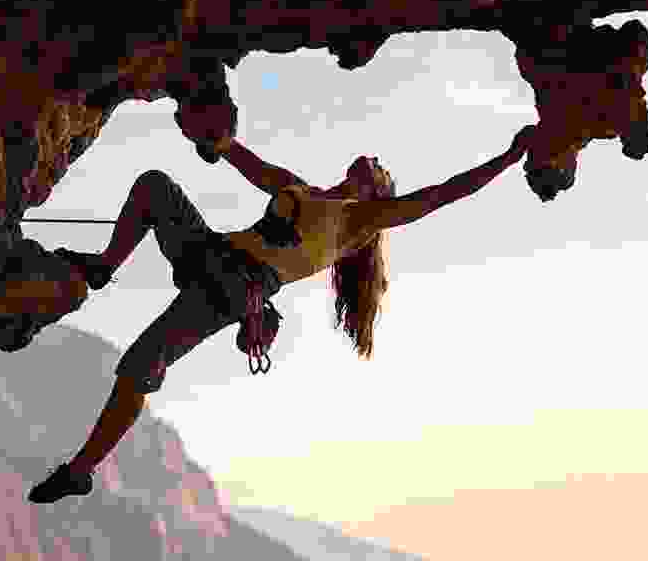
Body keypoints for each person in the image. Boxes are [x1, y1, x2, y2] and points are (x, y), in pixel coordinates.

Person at [26, 123, 538, 503]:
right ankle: (104, 266)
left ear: (381, 192)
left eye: (382, 169)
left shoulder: (361, 220)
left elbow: (442, 195)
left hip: (237, 288)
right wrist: (215, 138)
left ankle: (80, 471)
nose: (375, 160)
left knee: (139, 366)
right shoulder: (300, 189)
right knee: (155, 186)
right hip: (210, 251)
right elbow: (247, 163)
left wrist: (509, 157)